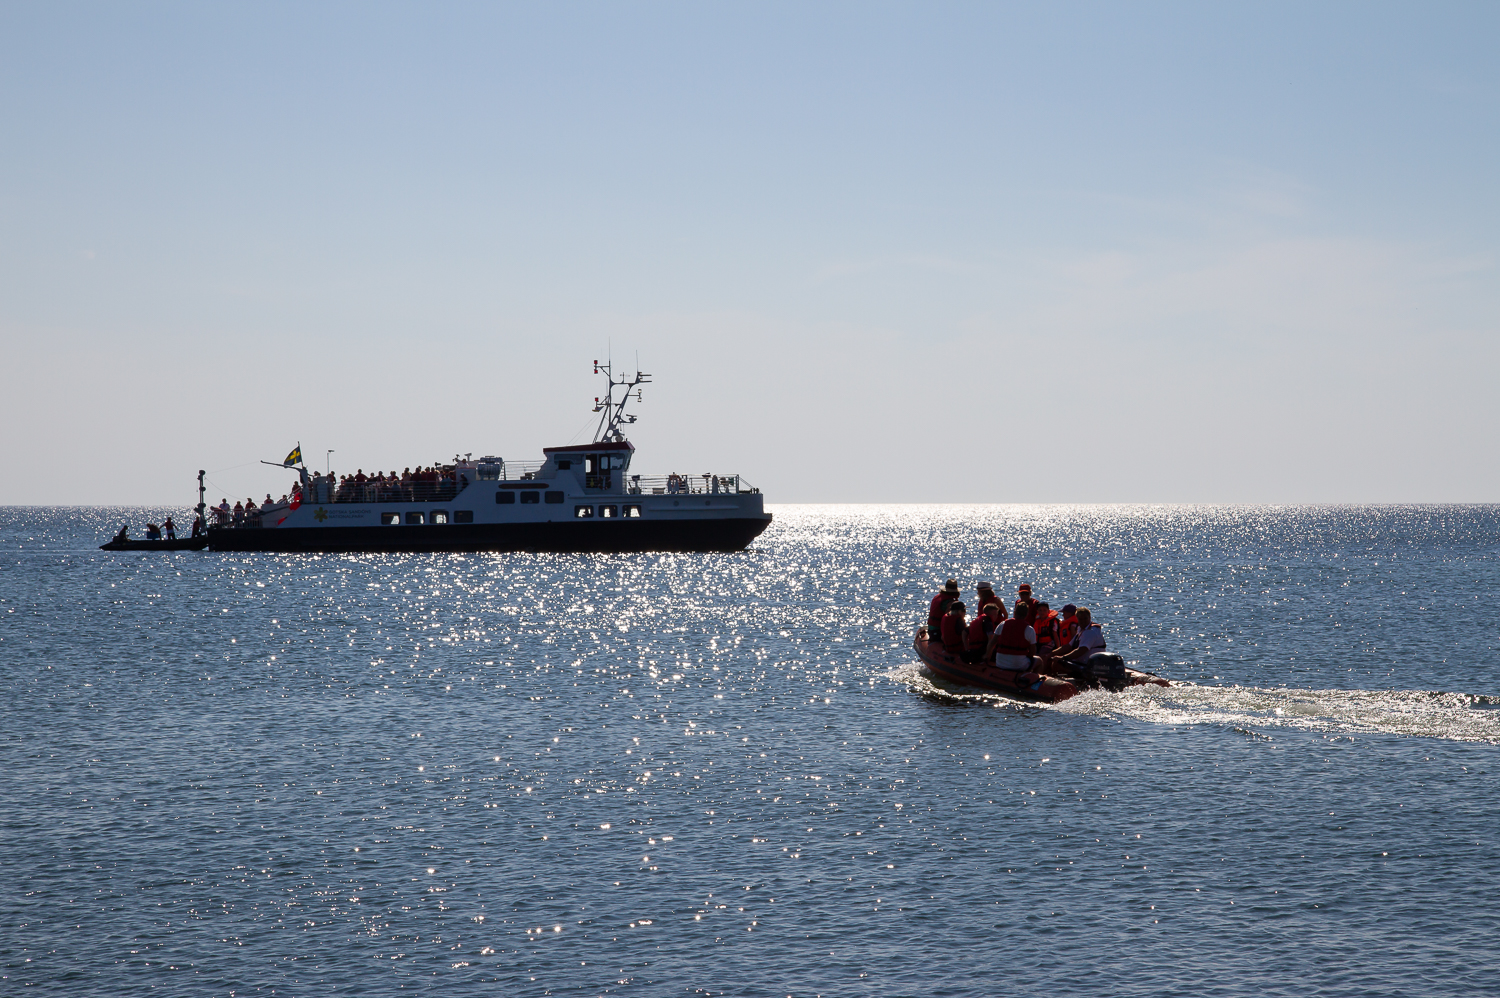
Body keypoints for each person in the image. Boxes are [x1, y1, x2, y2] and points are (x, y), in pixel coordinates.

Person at [986, 602, 1037, 671]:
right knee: (1039, 661)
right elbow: (1032, 652)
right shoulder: (1029, 629)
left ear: (1014, 612)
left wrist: (987, 657)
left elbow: (992, 643)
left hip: (1000, 662)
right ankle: (1033, 679)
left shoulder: (1002, 624)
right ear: (1027, 615)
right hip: (1019, 664)